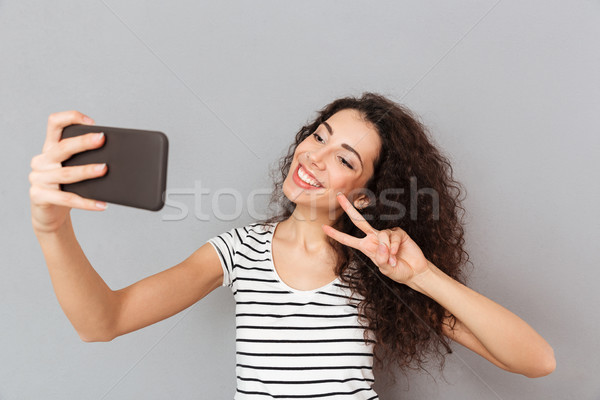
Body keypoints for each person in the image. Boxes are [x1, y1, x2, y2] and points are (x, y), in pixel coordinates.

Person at [29, 92, 555, 399]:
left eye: (346, 160)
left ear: (369, 195)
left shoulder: (381, 272)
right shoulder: (237, 252)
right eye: (320, 135)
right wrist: (52, 227)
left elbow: (535, 361)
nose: (316, 156)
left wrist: (421, 277)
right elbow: (102, 322)